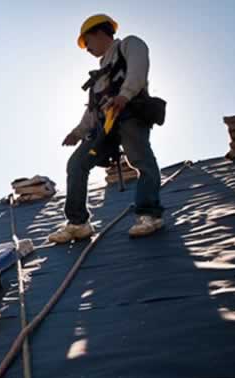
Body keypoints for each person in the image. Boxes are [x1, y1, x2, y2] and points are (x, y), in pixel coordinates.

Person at [50, 14, 164, 244]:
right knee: (77, 164)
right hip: (105, 127)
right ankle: (78, 223)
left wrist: (125, 95)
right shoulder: (100, 75)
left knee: (142, 161)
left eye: (87, 42)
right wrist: (78, 132)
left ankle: (149, 215)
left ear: (99, 33)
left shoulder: (129, 45)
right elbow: (93, 109)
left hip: (129, 115)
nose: (87, 49)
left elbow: (138, 71)